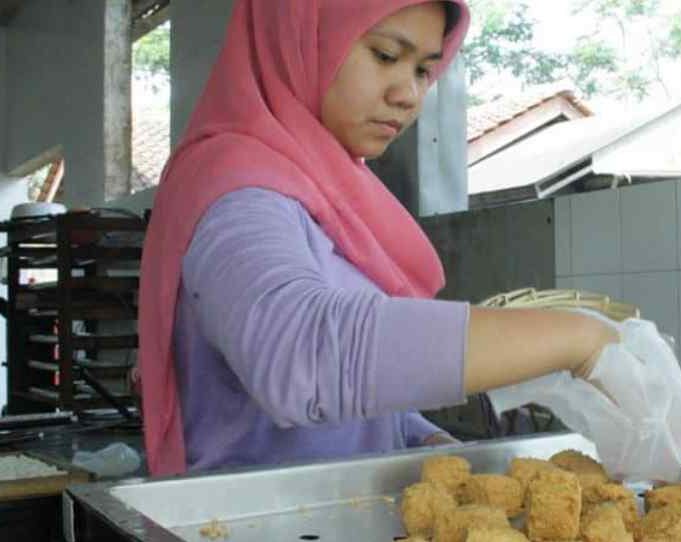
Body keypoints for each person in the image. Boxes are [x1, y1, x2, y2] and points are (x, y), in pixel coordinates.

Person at [138, 0, 619, 476]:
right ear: (299, 38)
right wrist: (576, 335)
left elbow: (351, 398)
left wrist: (420, 436)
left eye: (424, 71)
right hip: (249, 535)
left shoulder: (324, 189)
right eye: (386, 56)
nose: (408, 95)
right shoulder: (237, 187)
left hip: (336, 524)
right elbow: (301, 356)